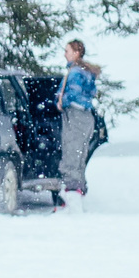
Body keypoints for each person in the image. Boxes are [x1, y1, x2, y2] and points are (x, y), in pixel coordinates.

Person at [59, 40, 101, 199]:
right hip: (85, 117)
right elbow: (91, 92)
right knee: (80, 154)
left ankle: (71, 194)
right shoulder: (85, 72)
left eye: (67, 51)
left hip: (75, 116)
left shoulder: (75, 73)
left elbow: (75, 94)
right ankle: (79, 189)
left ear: (76, 52)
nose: (65, 54)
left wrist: (62, 100)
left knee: (72, 153)